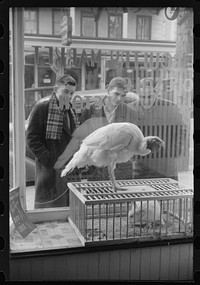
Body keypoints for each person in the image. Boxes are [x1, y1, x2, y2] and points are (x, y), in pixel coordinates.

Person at [26, 75, 78, 208]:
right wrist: (48, 160)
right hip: (49, 171)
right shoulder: (42, 107)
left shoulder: (70, 109)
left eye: (71, 93)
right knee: (47, 212)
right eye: (65, 92)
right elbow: (32, 138)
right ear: (56, 89)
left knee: (64, 210)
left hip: (67, 169)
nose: (69, 96)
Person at [80, 77, 139, 180]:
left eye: (123, 95)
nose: (119, 99)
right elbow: (83, 138)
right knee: (95, 195)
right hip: (95, 168)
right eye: (116, 94)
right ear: (108, 91)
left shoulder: (131, 112)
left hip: (120, 169)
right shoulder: (89, 109)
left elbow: (134, 143)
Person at [130, 77, 187, 181]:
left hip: (166, 166)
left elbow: (181, 130)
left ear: (156, 94)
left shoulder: (170, 108)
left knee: (168, 196)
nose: (146, 101)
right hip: (141, 166)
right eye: (142, 97)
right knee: (141, 196)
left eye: (149, 97)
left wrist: (173, 153)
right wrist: (131, 156)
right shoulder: (131, 109)